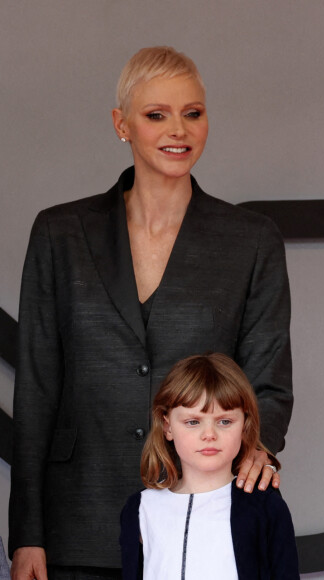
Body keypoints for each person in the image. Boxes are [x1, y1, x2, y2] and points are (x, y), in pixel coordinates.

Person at [9, 46, 292, 580]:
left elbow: (269, 379)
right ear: (122, 125)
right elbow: (37, 389)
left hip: (206, 520)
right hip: (78, 522)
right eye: (156, 114)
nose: (178, 130)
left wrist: (263, 448)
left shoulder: (250, 240)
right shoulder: (60, 233)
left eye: (193, 112)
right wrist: (27, 533)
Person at [120, 352, 299, 579]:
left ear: (245, 425)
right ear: (168, 427)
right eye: (193, 422)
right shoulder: (140, 509)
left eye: (224, 421)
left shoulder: (266, 507)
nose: (209, 435)